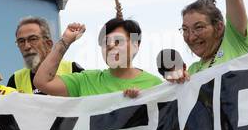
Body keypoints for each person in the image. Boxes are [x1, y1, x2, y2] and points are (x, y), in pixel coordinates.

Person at [34, 18, 163, 98]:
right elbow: (42, 82)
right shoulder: (85, 81)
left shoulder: (155, 86)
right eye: (105, 42)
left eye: (118, 41)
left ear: (136, 45)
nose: (111, 46)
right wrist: (65, 42)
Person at [7, 17, 83, 92]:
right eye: (21, 41)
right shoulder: (15, 80)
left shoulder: (72, 69)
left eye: (33, 39)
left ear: (48, 44)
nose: (26, 46)